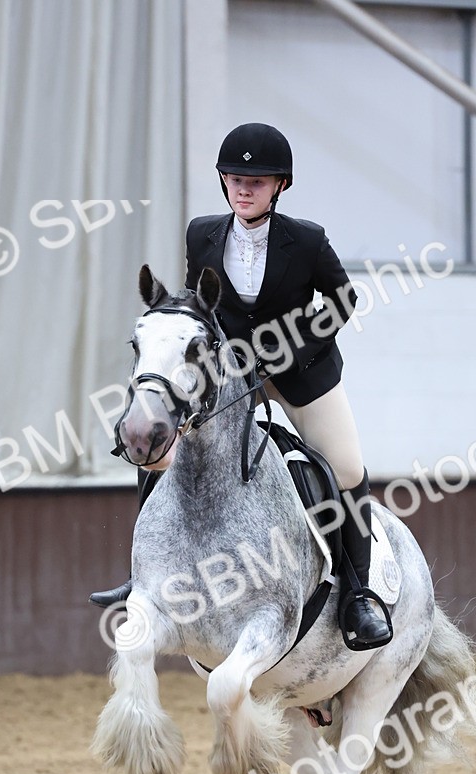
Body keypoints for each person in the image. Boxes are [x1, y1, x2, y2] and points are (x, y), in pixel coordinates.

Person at [91, 122, 391, 651]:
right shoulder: (202, 233)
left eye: (256, 181)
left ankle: (358, 593)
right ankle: (143, 576)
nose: (243, 189)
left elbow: (343, 300)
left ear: (280, 186)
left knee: (346, 468)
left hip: (302, 373)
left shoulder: (307, 240)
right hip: (231, 376)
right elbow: (199, 307)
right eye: (235, 179)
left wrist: (292, 347)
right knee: (163, 444)